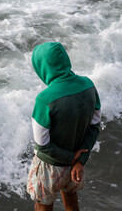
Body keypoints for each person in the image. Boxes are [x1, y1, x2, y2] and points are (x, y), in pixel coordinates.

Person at [26, 42, 101, 211]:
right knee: (72, 203)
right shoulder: (89, 86)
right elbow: (95, 126)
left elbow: (43, 146)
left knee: (42, 207)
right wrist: (79, 160)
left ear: (42, 67)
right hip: (76, 166)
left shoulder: (44, 99)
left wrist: (70, 158)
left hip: (50, 167)